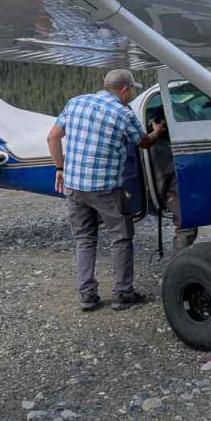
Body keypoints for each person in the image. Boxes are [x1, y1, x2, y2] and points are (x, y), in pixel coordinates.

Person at [46, 69, 165, 311]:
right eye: (130, 91)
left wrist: (59, 168)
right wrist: (157, 131)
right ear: (124, 90)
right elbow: (143, 143)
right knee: (121, 237)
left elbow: (53, 137)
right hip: (105, 189)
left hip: (74, 186)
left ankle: (87, 295)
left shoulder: (76, 102)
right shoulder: (123, 114)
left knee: (84, 239)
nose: (130, 95)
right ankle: (123, 293)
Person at [147, 107, 198, 255]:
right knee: (186, 225)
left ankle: (180, 261)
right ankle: (178, 264)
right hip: (171, 189)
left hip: (171, 187)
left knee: (186, 225)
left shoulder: (160, 144)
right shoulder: (159, 146)